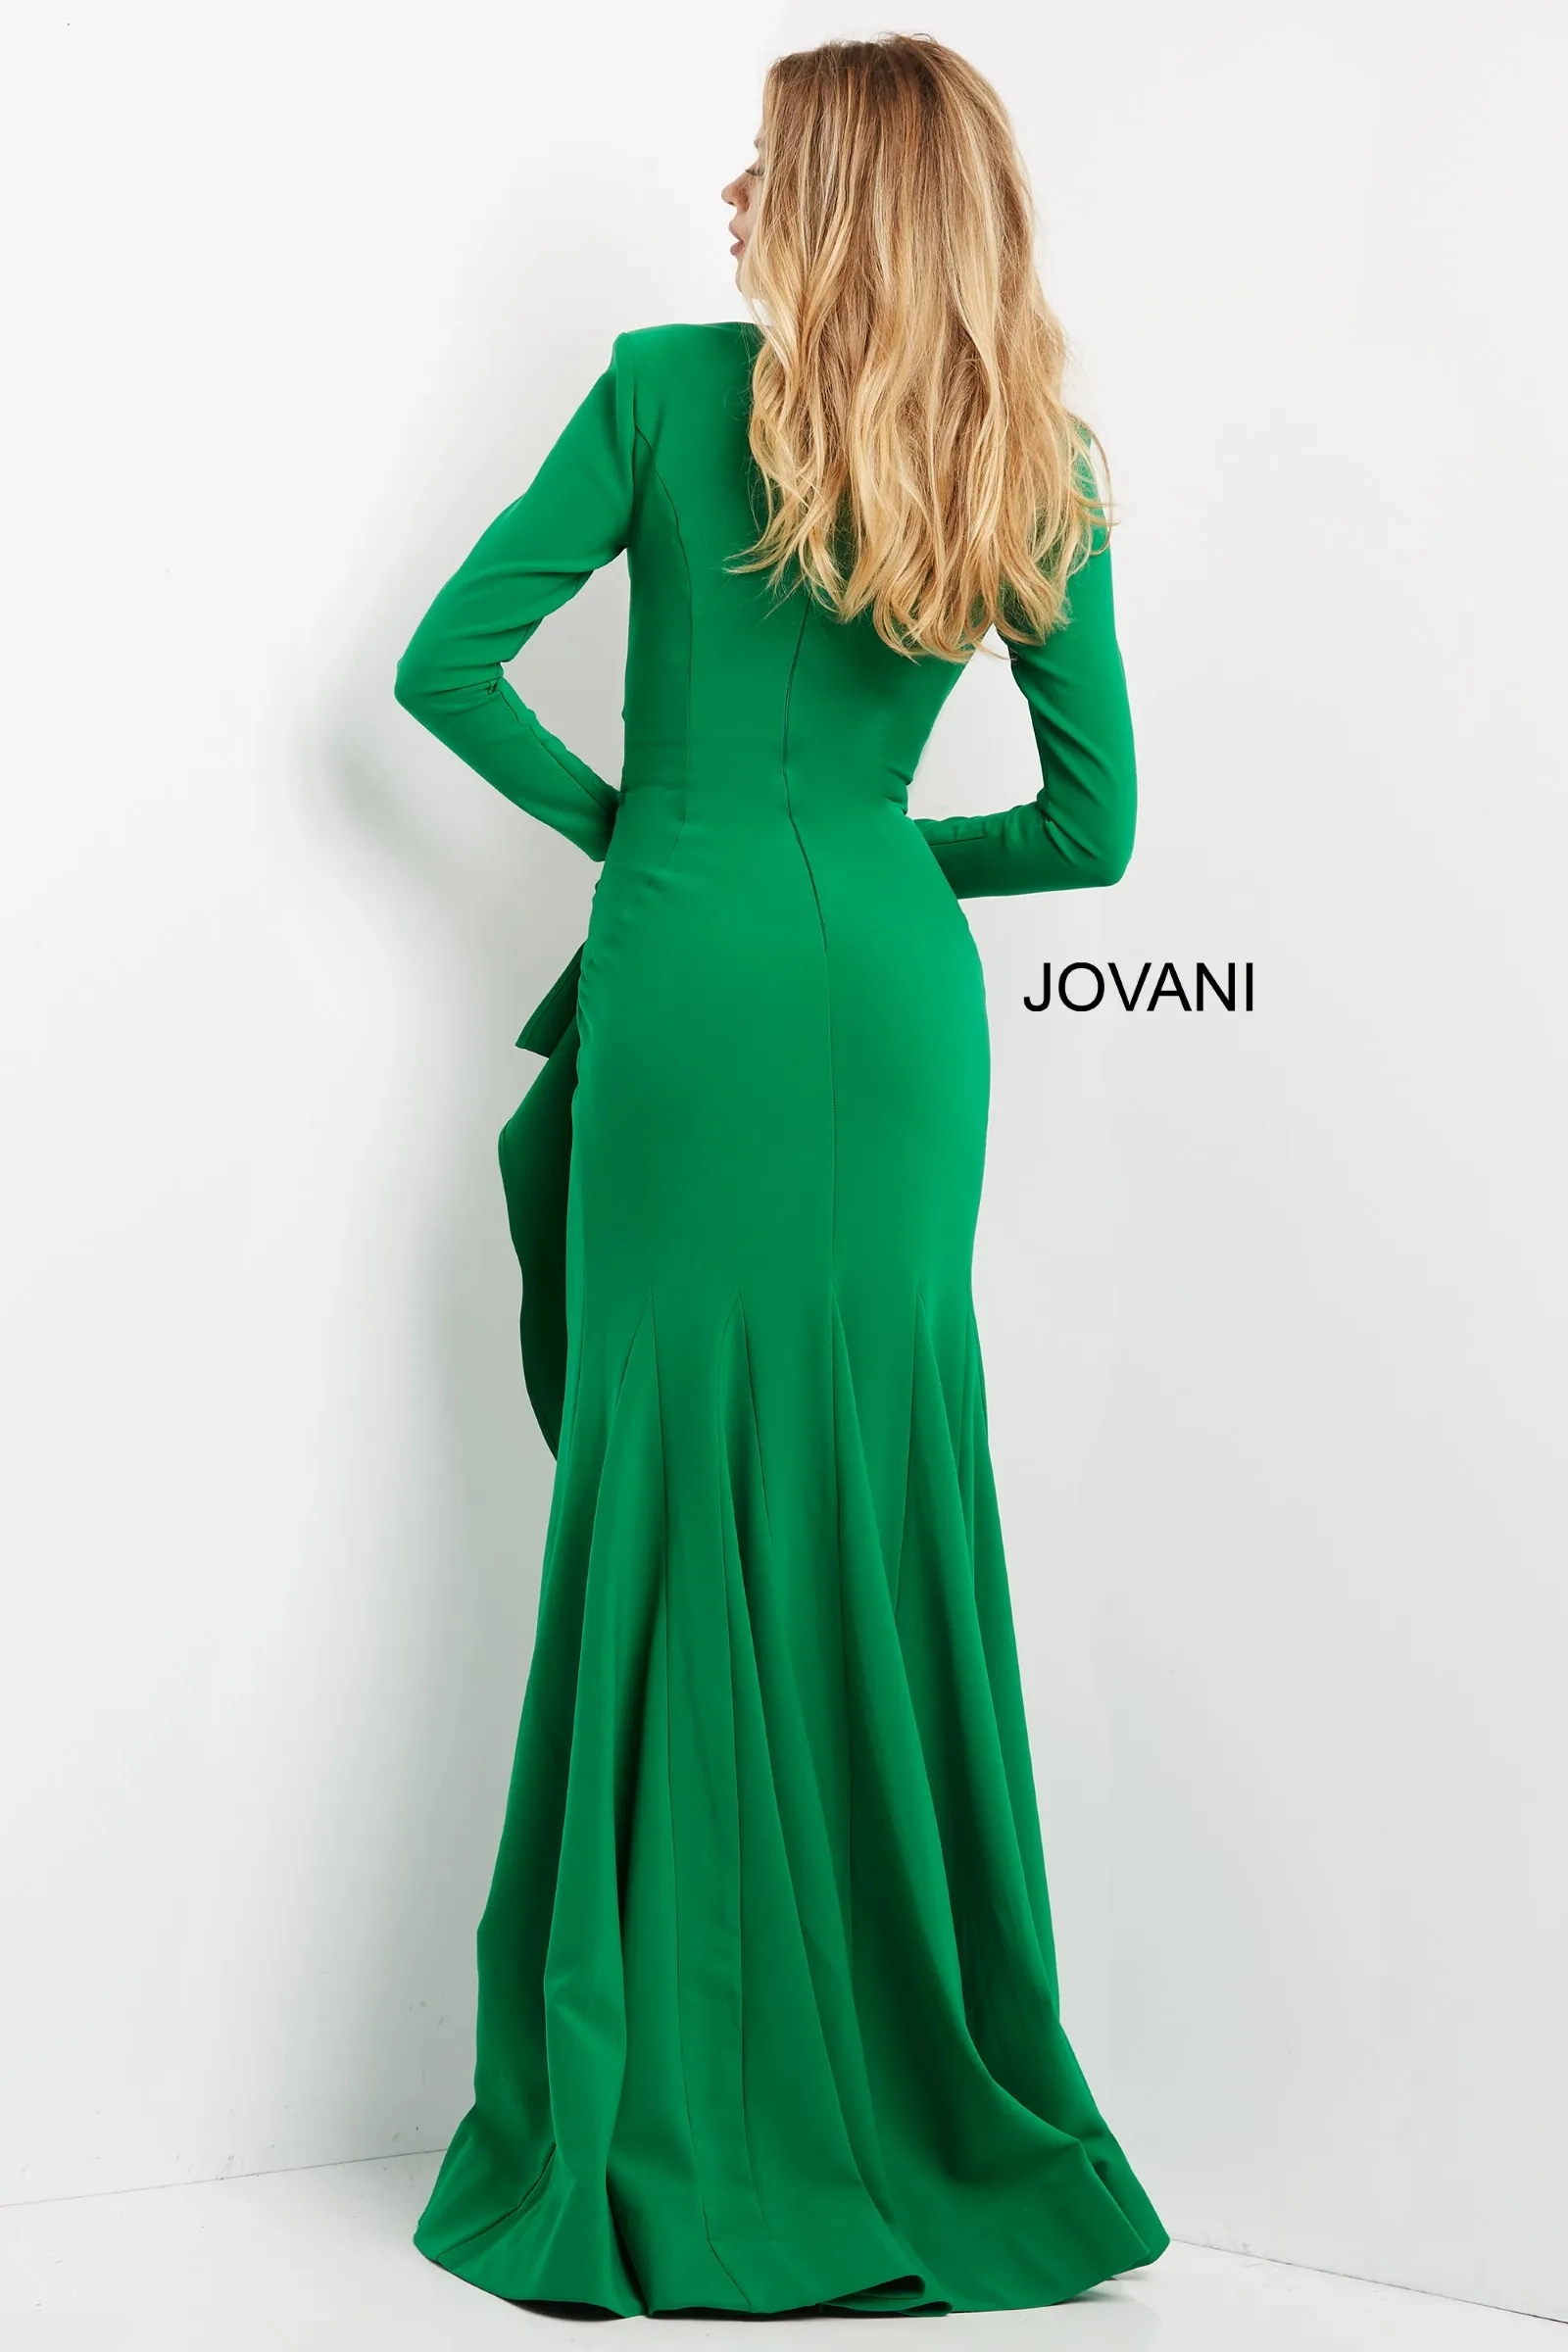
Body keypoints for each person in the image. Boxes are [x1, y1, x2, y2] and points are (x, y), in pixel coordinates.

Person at [392, 29, 1168, 2319]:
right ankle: (919, 2087)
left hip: (691, 969)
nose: (730, 196)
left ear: (827, 199)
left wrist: (655, 833)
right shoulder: (1027, 450)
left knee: (668, 1477)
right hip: (895, 1019)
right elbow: (1093, 831)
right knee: (875, 1482)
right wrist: (879, 859)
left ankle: (667, 2102)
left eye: (762, 165)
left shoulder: (658, 393)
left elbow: (444, 667)